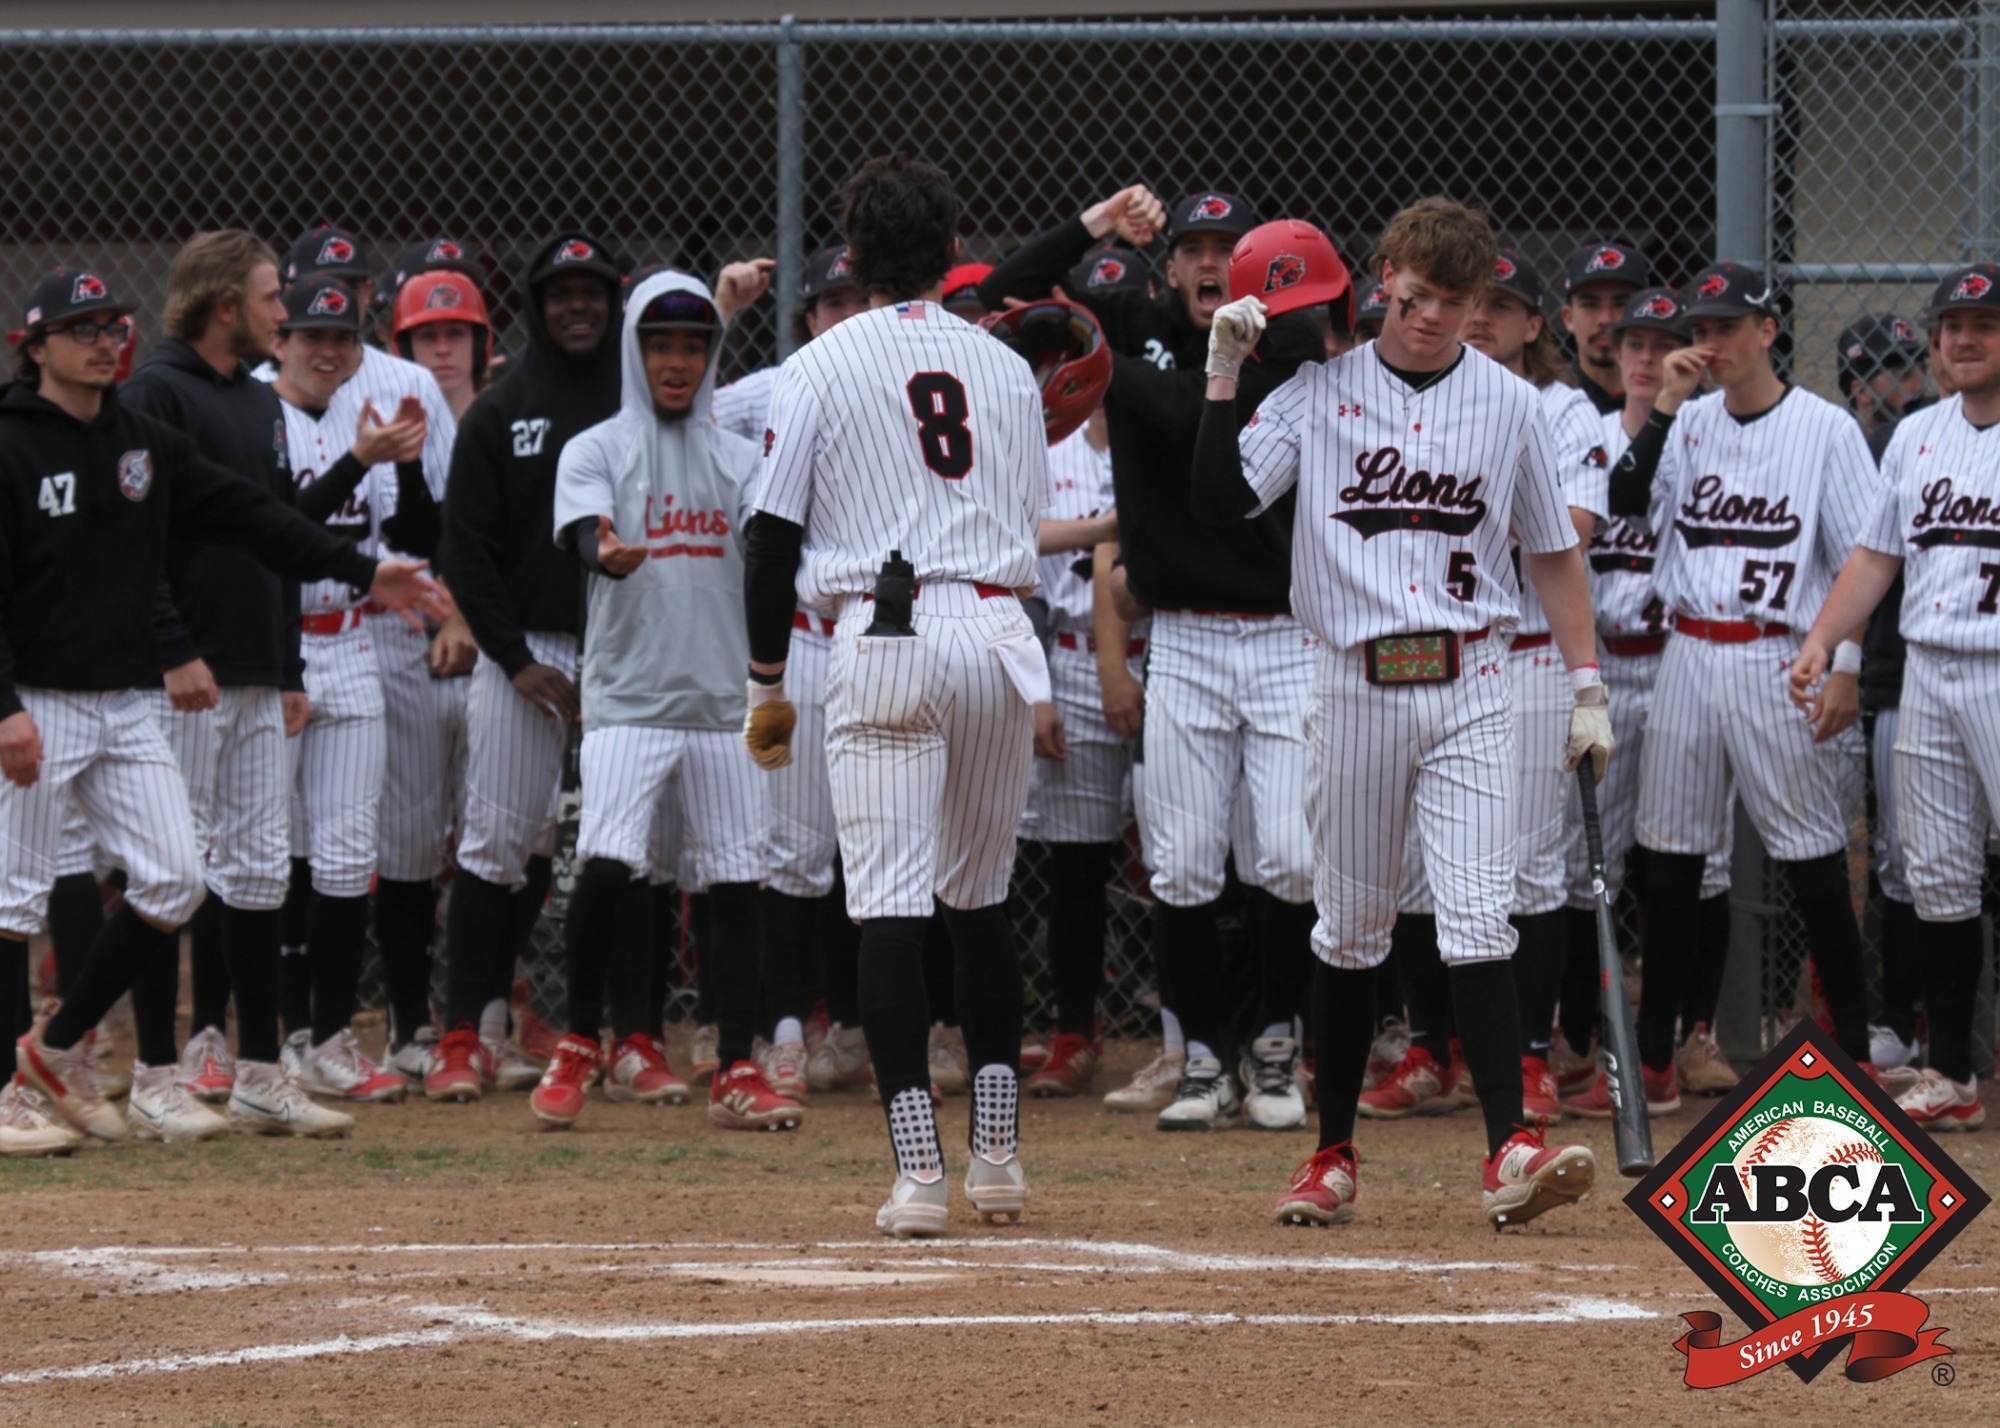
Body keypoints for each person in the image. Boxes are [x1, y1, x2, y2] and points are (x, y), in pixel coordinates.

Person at [1192, 198, 1611, 1228]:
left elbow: (1549, 552)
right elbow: (1213, 502)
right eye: (1417, 297)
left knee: (1477, 912)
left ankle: (1508, 1148)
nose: (1431, 319)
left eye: (1455, 304)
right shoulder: (1313, 391)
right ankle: (1330, 1155)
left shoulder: (1509, 405)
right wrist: (1219, 374)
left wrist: (1586, 680)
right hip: (1351, 681)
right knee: (1351, 929)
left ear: (1481, 307)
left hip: (1470, 677)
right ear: (1382, 277)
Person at [4, 264, 443, 1142]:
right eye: (80, 329)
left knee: (176, 876)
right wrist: (5, 704)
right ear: (36, 346)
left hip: (123, 700)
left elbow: (251, 515)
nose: (100, 342)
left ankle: (51, 1046)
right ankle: (6, 1098)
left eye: (109, 326)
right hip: (36, 700)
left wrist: (365, 570)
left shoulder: (137, 438)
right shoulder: (10, 441)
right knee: (11, 900)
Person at [745, 154, 1050, 1237]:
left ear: (858, 256)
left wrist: (766, 680)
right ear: (948, 248)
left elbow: (771, 536)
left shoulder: (822, 362)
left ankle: (920, 1176)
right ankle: (999, 1159)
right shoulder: (1005, 368)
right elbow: (1025, 529)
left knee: (885, 911)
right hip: (997, 631)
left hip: (883, 632)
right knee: (977, 911)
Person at [981, 186, 1325, 1134]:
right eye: (1194, 248)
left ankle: (1275, 1044)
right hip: (1183, 636)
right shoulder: (1131, 316)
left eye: (1229, 248)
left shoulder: (1283, 341)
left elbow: (1182, 408)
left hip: (1282, 634)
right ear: (1167, 264)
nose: (1212, 265)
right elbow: (1008, 289)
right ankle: (1206, 1057)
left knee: (1288, 860)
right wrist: (1094, 225)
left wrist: (1113, 371)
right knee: (1179, 866)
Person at [529, 270, 796, 1132]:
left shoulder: (740, 458)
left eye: (692, 346)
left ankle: (739, 1062)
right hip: (630, 700)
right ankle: (580, 1041)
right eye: (658, 344)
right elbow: (582, 529)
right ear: (632, 352)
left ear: (713, 356)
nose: (675, 362)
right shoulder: (597, 449)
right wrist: (598, 548)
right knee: (606, 867)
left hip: (723, 702)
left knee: (737, 884)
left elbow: (770, 545)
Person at [1609, 260, 1880, 1105]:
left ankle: (1859, 1057)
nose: (1710, 342)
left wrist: (1846, 665)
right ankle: (1655, 1058)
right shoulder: (1686, 425)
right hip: (1688, 651)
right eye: (1701, 328)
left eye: (1728, 327)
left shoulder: (1825, 430)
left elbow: (1862, 558)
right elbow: (1623, 498)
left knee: (1813, 865)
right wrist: (1660, 409)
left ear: (1768, 332)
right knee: (1670, 865)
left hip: (1779, 655)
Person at [120, 230, 353, 1138]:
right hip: (189, 675)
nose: (281, 315)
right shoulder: (156, 396)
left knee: (257, 872)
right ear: (224, 306)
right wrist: (174, 647)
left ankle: (259, 1071)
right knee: (166, 875)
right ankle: (151, 1071)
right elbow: (134, 550)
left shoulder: (259, 406)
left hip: (258, 670)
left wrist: (289, 664)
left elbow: (275, 536)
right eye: (268, 299)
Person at [1370, 248, 1608, 1124]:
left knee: (1532, 870)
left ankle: (1531, 1055)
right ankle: (1431, 1046)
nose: (1481, 318)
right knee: (1411, 869)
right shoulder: (1411, 391)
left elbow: (1566, 528)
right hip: (1424, 653)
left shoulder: (1560, 406)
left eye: (1503, 305)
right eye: (1472, 300)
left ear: (1535, 325)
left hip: (1534, 652)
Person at [1789, 261, 2000, 1132]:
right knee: (1939, 878)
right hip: (1927, 674)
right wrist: (1824, 638)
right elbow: (1876, 556)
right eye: (1951, 325)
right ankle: (1950, 1072)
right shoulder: (1916, 436)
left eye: (1982, 326)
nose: (1962, 339)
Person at [428, 233, 625, 1098]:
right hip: (527, 650)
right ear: (536, 307)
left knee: (616, 844)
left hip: (627, 648)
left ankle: (622, 1033)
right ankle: (463, 1033)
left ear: (615, 300)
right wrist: (511, 659)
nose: (576, 306)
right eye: (560, 294)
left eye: (591, 291)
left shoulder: (641, 400)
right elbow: (463, 552)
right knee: (496, 843)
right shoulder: (501, 410)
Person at [1559, 286, 1735, 1117]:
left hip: (1674, 663)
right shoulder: (1584, 437)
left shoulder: (1703, 440)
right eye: (1631, 341)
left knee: (1697, 864)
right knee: (1584, 863)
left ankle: (1688, 1034)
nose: (1641, 355)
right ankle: (1580, 1035)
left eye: (1660, 342)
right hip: (1598, 664)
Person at [270, 276, 439, 1102]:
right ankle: (268, 1037)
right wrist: (358, 461)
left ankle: (333, 1037)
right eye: (309, 335)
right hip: (273, 652)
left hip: (352, 643)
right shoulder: (257, 416)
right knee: (266, 852)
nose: (327, 349)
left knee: (344, 854)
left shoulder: (362, 414)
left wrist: (402, 470)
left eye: (341, 335)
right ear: (279, 340)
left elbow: (414, 537)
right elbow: (281, 535)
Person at [1561, 240, 1652, 413]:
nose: (1606, 318)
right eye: (1590, 305)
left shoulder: (1675, 399)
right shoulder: (1548, 400)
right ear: (1568, 318)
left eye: (1620, 304)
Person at [393, 270, 492, 421]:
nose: (443, 349)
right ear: (406, 349)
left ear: (478, 344)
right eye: (428, 336)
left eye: (455, 333)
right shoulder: (382, 430)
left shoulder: (506, 423)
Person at [1837, 313, 1928, 439]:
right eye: (1904, 374)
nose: (1920, 387)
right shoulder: (1833, 453)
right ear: (1861, 391)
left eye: (1923, 371)